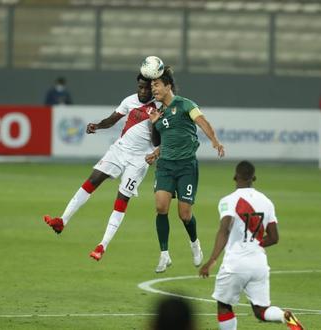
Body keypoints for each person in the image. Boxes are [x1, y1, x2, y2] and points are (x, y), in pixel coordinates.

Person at [43, 73, 159, 261]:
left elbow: (156, 141)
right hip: (119, 150)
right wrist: (96, 126)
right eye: (140, 87)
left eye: (147, 88)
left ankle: (102, 245)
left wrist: (154, 122)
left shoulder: (158, 107)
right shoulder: (129, 101)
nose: (143, 91)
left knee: (121, 199)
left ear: (153, 88)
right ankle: (62, 220)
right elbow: (112, 119)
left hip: (138, 161)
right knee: (92, 180)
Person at [199, 161, 304, 330]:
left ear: (235, 177)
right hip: (259, 264)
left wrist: (212, 259)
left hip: (235, 264)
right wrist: (255, 244)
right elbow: (274, 237)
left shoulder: (228, 201)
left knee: (224, 305)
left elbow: (224, 230)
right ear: (254, 178)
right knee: (261, 310)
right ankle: (284, 316)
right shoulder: (266, 202)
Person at [147, 66, 225, 273]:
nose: (153, 89)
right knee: (161, 207)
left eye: (156, 85)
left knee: (184, 214)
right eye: (152, 85)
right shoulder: (158, 113)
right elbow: (168, 138)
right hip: (165, 165)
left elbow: (202, 121)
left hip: (186, 166)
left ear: (168, 86)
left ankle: (194, 243)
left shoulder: (185, 105)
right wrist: (156, 152)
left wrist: (214, 140)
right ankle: (164, 255)